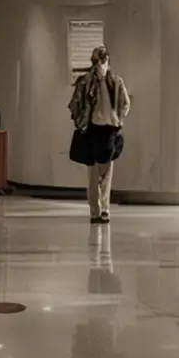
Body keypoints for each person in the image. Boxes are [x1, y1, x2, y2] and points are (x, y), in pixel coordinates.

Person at [68, 46, 131, 224]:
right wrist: (80, 121)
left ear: (107, 60)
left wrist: (118, 118)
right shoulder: (86, 82)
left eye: (101, 61)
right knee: (93, 176)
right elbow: (75, 104)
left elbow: (125, 103)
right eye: (96, 61)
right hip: (92, 130)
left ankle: (105, 210)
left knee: (106, 174)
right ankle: (95, 211)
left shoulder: (116, 82)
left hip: (109, 130)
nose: (99, 65)